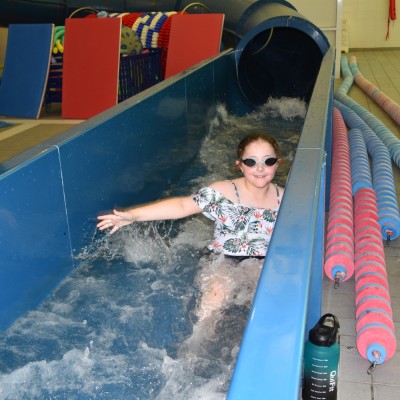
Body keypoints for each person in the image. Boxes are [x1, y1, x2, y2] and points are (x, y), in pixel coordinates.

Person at [97, 132, 284, 319]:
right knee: (216, 295)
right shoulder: (223, 192)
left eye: (268, 161)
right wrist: (133, 215)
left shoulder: (284, 198)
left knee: (266, 298)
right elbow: (183, 205)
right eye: (251, 162)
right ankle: (197, 341)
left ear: (278, 163)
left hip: (261, 263)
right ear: (240, 165)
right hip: (224, 260)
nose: (260, 168)